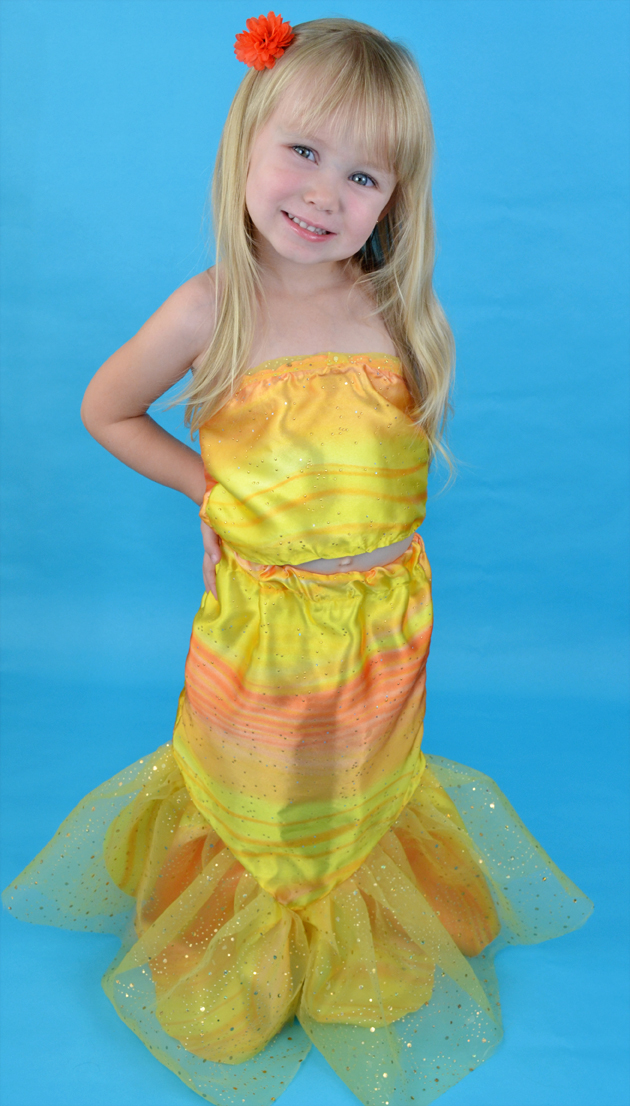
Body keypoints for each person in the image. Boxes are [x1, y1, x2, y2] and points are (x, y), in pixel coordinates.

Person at [2, 14, 593, 1106]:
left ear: (396, 197)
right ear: (248, 142)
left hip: (384, 629)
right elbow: (107, 408)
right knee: (262, 785)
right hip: (265, 628)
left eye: (363, 175)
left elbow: (371, 464)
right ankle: (247, 944)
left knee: (357, 779)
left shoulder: (398, 310)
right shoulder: (209, 307)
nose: (325, 195)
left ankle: (357, 916)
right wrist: (210, 489)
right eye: (304, 153)